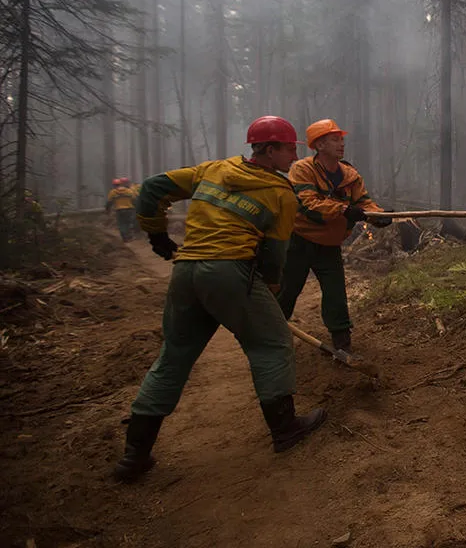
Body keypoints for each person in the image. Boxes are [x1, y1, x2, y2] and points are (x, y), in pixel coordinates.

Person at [112, 116, 328, 482]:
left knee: (174, 356)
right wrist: (270, 288)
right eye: (291, 148)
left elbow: (151, 188)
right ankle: (286, 428)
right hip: (230, 273)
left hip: (186, 273)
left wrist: (157, 237)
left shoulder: (213, 169)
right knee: (273, 343)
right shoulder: (281, 193)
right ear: (270, 150)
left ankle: (134, 455)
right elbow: (276, 254)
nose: (294, 155)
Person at [278, 119, 389, 354]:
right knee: (287, 290)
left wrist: (377, 215)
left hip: (329, 244)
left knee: (336, 293)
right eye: (335, 140)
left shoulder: (349, 175)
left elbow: (363, 203)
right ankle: (273, 335)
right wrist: (343, 210)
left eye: (342, 139)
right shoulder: (302, 169)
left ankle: (342, 344)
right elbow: (308, 204)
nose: (341, 144)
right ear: (319, 145)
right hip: (299, 241)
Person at [105, 177, 139, 241]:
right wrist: (136, 208)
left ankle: (125, 237)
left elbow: (109, 202)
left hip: (119, 210)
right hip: (129, 209)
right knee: (128, 223)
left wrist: (107, 210)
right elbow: (134, 200)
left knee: (121, 224)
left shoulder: (113, 192)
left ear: (114, 185)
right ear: (121, 184)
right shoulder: (129, 191)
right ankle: (130, 237)